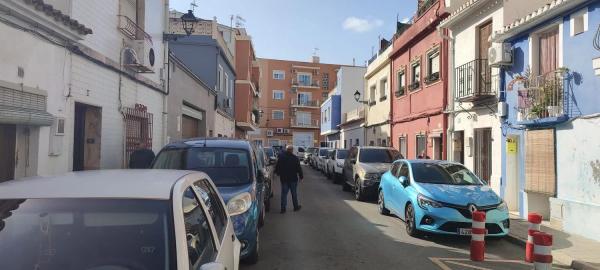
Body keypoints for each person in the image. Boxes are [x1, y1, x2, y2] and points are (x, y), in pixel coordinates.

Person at [275, 145, 303, 213]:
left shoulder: (281, 157)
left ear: (286, 150)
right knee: (294, 193)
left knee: (284, 194)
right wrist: (301, 176)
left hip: (284, 179)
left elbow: (277, 167)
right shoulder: (295, 158)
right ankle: (295, 207)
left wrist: (278, 173)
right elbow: (299, 168)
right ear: (292, 150)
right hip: (293, 179)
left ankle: (283, 208)